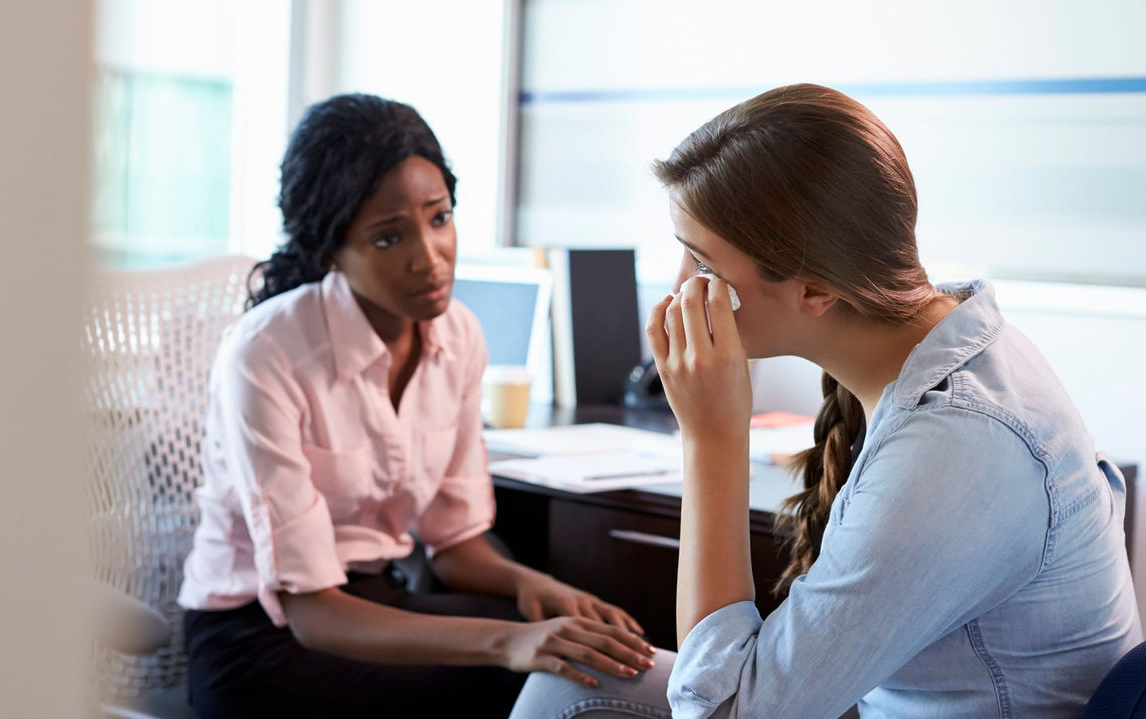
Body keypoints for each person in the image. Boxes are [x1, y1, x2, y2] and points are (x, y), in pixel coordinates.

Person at [509, 83, 1141, 718]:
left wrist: (711, 441)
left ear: (815, 290)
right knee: (570, 679)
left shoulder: (956, 446)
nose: (679, 292)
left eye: (703, 266)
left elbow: (726, 713)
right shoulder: (943, 340)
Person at [177, 94, 656, 718]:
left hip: (380, 604)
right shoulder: (267, 355)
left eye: (439, 218)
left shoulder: (458, 337)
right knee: (523, 679)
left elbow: (455, 546)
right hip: (260, 640)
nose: (430, 258)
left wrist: (540, 591)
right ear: (331, 251)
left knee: (590, 661)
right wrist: (509, 641)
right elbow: (312, 614)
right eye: (388, 237)